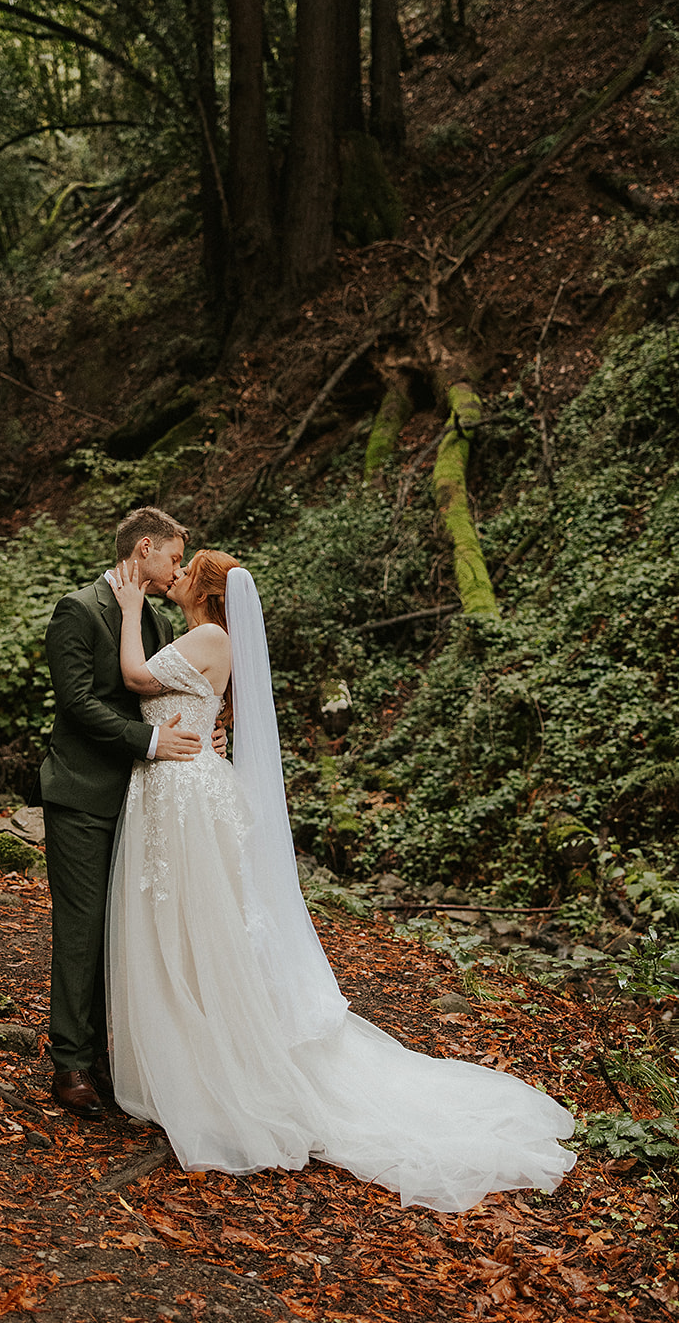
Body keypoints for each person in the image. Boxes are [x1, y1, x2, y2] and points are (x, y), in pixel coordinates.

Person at [107, 549, 577, 1213]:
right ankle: (187, 1053)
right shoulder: (201, 636)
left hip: (184, 794)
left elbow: (133, 678)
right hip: (179, 787)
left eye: (187, 570)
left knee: (198, 923)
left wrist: (128, 610)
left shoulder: (209, 634)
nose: (175, 575)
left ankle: (215, 1064)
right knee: (189, 923)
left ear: (206, 591)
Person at [37, 507, 206, 1120]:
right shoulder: (78, 610)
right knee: (82, 931)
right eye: (172, 557)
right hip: (82, 793)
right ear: (143, 549)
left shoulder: (155, 620)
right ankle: (73, 1064)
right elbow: (78, 702)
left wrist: (199, 733)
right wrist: (154, 744)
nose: (177, 569)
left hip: (145, 801)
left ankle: (117, 1058)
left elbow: (163, 694)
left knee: (130, 931)